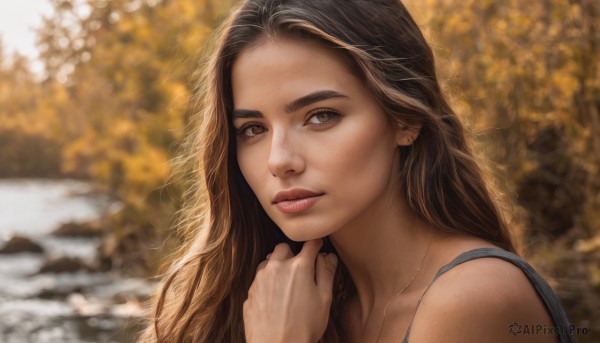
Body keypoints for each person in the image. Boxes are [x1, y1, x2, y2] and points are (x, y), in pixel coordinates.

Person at [139, 0, 577, 342]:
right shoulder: (284, 299)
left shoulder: (473, 300)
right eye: (253, 128)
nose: (278, 160)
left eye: (321, 116)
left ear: (404, 119)